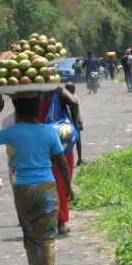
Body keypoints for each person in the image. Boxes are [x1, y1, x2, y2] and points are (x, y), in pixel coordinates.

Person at [0, 93, 73, 265]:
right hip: (46, 187)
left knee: (29, 233)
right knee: (48, 235)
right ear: (38, 108)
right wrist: (68, 186)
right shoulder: (49, 131)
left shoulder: (12, 132)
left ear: (17, 110)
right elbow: (62, 162)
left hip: (22, 189)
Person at [38, 84, 83, 235]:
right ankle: (61, 222)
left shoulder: (30, 90)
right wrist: (75, 121)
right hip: (60, 139)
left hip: (38, 140)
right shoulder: (57, 90)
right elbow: (74, 103)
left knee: (42, 181)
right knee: (62, 181)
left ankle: (45, 220)